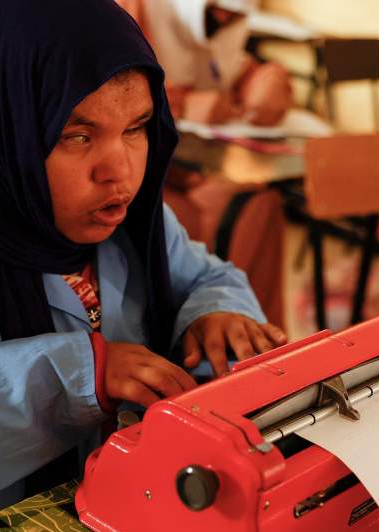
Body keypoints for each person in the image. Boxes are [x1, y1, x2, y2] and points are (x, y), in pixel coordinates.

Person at [0, 1, 287, 532]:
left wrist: (219, 313)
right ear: (3, 126)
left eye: (137, 128)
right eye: (76, 135)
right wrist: (72, 379)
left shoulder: (133, 224)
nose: (119, 171)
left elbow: (205, 277)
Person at [116, 0, 291, 329]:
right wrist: (178, 104)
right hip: (141, 177)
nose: (224, 18)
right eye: (216, 9)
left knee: (260, 207)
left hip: (195, 170)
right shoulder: (129, 14)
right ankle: (192, 337)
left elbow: (234, 68)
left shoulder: (220, 26)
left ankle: (259, 338)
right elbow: (97, 93)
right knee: (183, 222)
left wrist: (268, 80)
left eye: (234, 14)